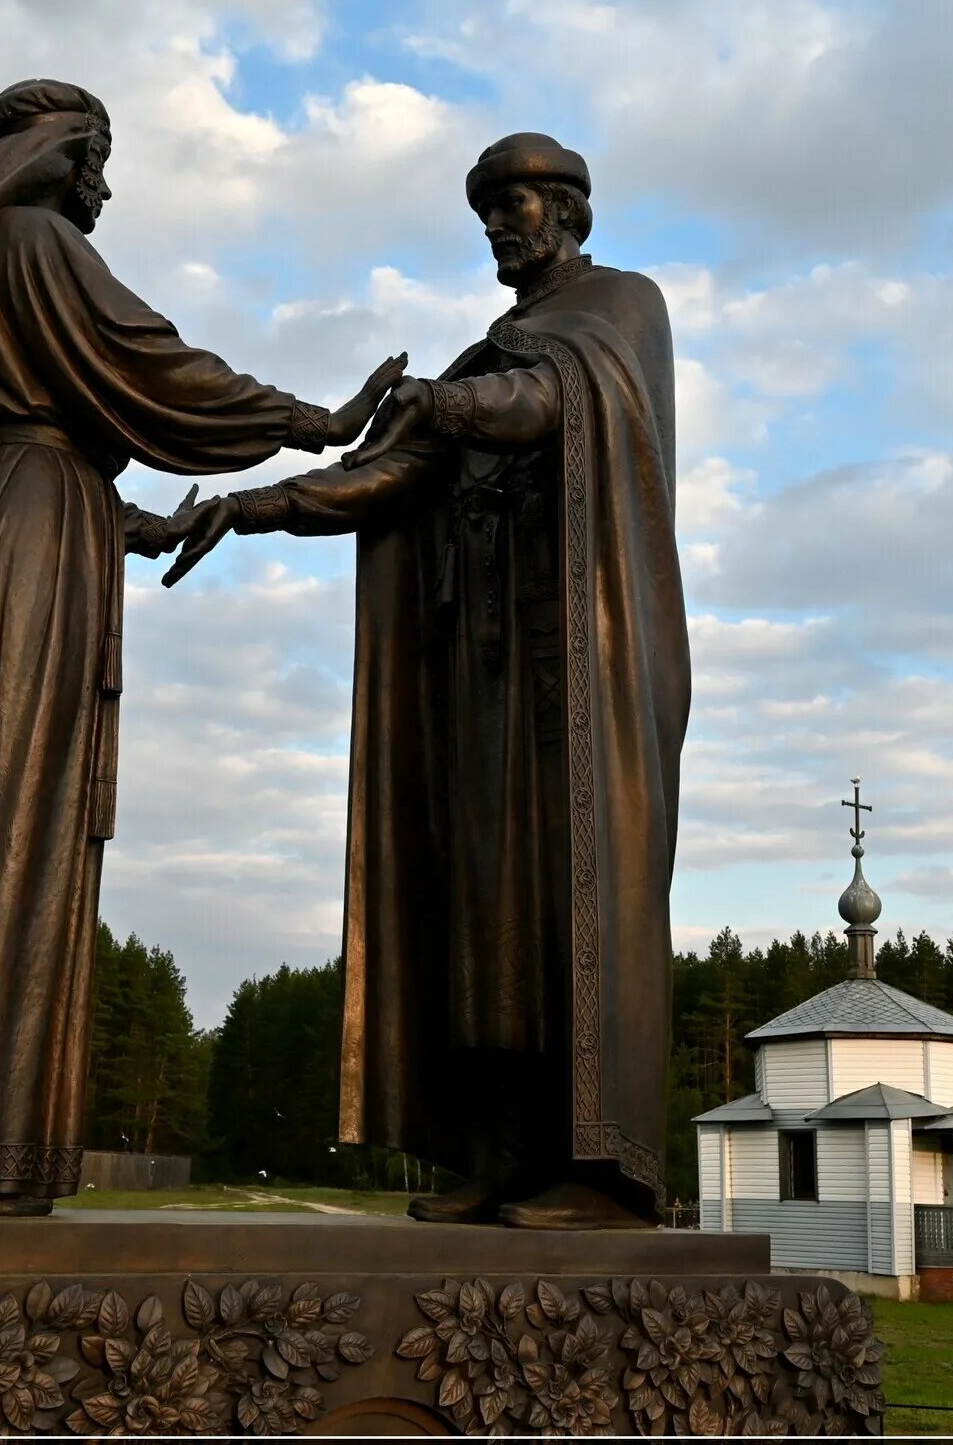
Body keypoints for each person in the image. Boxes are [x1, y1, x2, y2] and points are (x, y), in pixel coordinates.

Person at [0, 79, 404, 1214]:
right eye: (98, 154)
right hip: (22, 550)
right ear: (56, 153)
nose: (107, 182)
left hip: (15, 527)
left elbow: (66, 435)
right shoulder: (34, 238)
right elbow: (149, 361)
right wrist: (309, 421)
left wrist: (136, 523)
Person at [164, 134, 686, 1230]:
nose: (500, 225)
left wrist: (439, 410)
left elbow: (543, 405)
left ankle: (597, 1172)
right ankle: (502, 1151)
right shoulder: (481, 354)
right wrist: (243, 506)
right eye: (488, 209)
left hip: (579, 666)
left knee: (568, 897)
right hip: (486, 671)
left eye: (518, 205)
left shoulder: (620, 309)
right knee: (485, 909)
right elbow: (388, 476)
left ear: (570, 211)